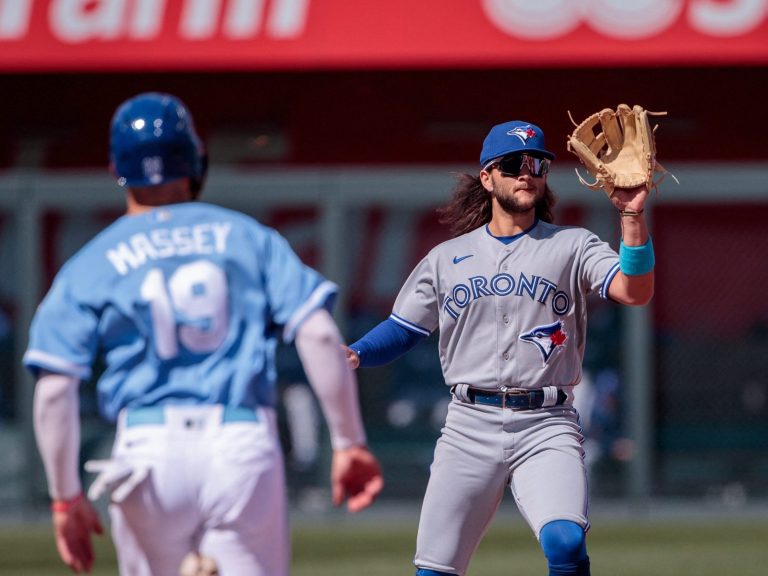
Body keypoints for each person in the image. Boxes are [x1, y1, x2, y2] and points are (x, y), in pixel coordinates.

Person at [24, 92, 383, 576]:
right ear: (195, 159)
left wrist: (65, 498)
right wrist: (348, 442)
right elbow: (318, 335)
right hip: (239, 439)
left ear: (116, 168)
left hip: (145, 451)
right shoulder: (248, 236)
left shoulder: (92, 260)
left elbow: (53, 390)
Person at [344, 120, 655, 576]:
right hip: (469, 424)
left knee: (565, 542)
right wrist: (357, 352)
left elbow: (636, 291)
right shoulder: (447, 257)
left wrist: (631, 216)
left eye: (538, 163)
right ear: (488, 178)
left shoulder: (572, 245)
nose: (526, 172)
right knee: (435, 567)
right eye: (513, 164)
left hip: (546, 422)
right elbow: (404, 327)